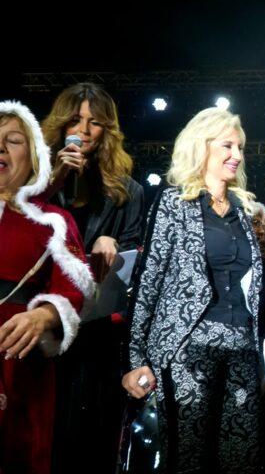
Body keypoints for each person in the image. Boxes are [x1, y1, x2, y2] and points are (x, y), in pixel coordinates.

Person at [123, 107, 263, 473]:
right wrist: (136, 359)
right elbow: (148, 281)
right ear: (201, 146)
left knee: (241, 460)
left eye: (240, 147)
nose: (237, 155)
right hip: (187, 349)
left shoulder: (243, 211)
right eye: (227, 145)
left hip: (242, 348)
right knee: (188, 460)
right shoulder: (174, 203)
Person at [40, 82, 144, 473]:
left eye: (94, 122)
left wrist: (113, 242)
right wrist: (54, 179)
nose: (83, 131)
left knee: (89, 439)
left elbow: (133, 264)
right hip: (42, 326)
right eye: (75, 120)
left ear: (107, 130)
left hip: (94, 332)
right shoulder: (33, 181)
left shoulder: (128, 192)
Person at [0, 101, 94, 473]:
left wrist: (45, 315)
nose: (0, 148)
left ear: (35, 157)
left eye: (13, 140)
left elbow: (76, 287)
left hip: (19, 360)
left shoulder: (53, 220)